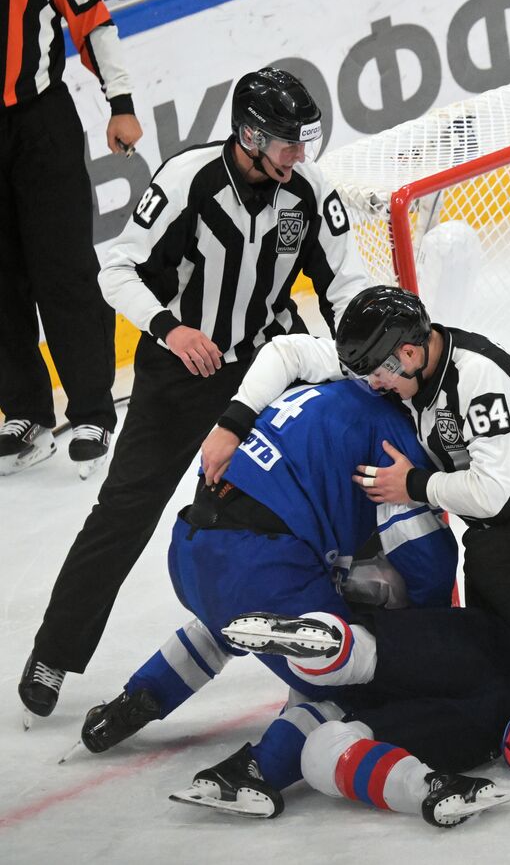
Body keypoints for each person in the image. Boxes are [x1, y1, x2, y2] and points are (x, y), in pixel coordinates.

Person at [198, 285, 510, 770]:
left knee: (498, 565)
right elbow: (287, 352)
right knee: (508, 669)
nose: (371, 385)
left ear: (408, 352)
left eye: (378, 374)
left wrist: (411, 483)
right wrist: (232, 423)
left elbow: (498, 493)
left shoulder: (478, 378)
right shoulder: (389, 360)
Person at [18, 68, 373, 721]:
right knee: (124, 508)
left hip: (268, 361)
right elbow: (116, 270)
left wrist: (361, 345)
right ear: (248, 136)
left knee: (334, 471)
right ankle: (53, 651)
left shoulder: (310, 192)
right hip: (180, 369)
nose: (301, 154)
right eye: (289, 142)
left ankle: (361, 622)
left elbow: (345, 283)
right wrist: (170, 329)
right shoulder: (188, 181)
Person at [75, 378, 510, 825]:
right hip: (266, 564)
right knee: (345, 688)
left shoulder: (307, 391)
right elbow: (422, 554)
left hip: (192, 551)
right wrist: (424, 639)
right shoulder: (392, 431)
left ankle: (138, 698)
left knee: (227, 627)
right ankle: (256, 769)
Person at [0, 0, 143, 478]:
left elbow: (91, 18)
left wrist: (121, 102)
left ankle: (91, 412)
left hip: (42, 126)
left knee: (64, 271)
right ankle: (25, 414)